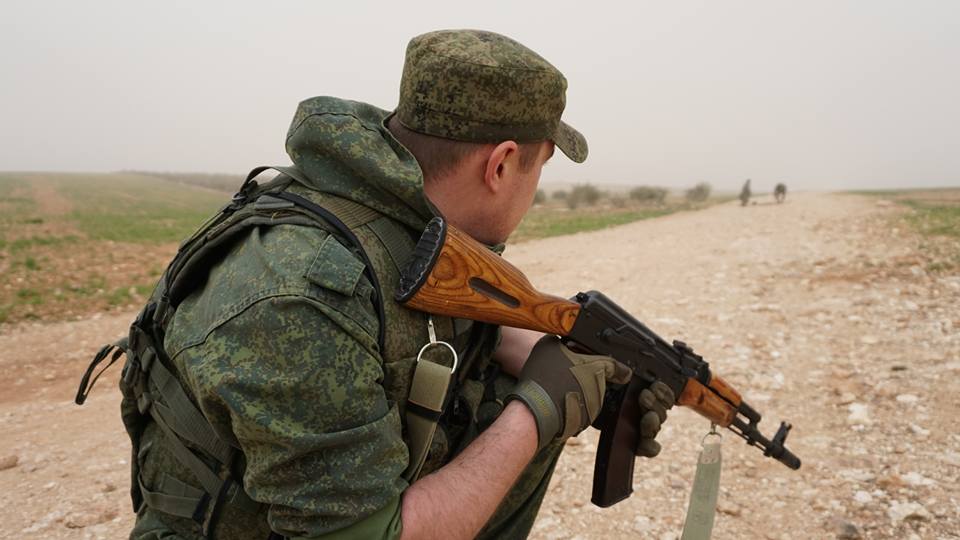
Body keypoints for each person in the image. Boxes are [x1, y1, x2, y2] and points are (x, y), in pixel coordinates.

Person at [118, 30, 673, 540]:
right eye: (541, 167)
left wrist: (563, 361)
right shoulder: (299, 295)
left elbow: (410, 320)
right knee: (522, 415)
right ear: (501, 165)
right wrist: (540, 408)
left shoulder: (402, 222)